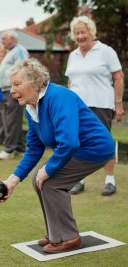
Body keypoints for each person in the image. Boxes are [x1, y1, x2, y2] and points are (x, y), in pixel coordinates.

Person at [0, 58, 115, 253]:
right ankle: (57, 232)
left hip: (95, 148)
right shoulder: (32, 107)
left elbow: (69, 142)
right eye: (11, 85)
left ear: (36, 83)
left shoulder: (58, 96)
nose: (12, 90)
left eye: (17, 84)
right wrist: (12, 181)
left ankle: (68, 237)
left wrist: (49, 169)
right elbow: (34, 148)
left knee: (51, 182)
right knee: (39, 178)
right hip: (77, 148)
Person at [65, 16, 124, 196]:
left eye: (83, 32)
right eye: (77, 33)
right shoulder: (72, 55)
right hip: (77, 107)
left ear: (91, 32)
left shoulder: (105, 51)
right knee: (78, 142)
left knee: (104, 142)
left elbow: (118, 77)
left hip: (101, 105)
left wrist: (118, 104)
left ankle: (109, 181)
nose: (80, 36)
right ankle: (80, 180)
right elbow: (70, 82)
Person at [0, 30, 29, 160]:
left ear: (13, 39)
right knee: (11, 120)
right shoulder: (11, 52)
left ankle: (9, 149)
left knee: (11, 120)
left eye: (4, 38)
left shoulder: (19, 50)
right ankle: (20, 147)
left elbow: (24, 68)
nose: (2, 41)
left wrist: (17, 88)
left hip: (12, 90)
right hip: (5, 90)